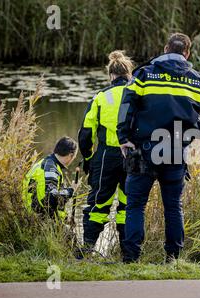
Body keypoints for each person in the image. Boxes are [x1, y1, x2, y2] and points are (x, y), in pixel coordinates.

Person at [117, 33, 200, 263]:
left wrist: (123, 136)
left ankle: (131, 258)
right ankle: (173, 258)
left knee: (135, 205)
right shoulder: (198, 80)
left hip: (144, 150)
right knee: (173, 207)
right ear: (187, 53)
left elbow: (127, 103)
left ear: (166, 48)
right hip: (177, 150)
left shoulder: (145, 74)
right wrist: (199, 132)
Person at [78, 50, 134, 256]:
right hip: (133, 157)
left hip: (105, 157)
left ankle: (87, 250)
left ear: (111, 75)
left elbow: (85, 133)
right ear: (129, 73)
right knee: (129, 206)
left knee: (98, 204)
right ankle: (129, 255)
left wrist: (88, 158)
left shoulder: (101, 97)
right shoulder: (138, 94)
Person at [23, 136, 77, 220]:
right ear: (71, 155)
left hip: (30, 214)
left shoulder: (45, 162)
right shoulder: (51, 168)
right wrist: (71, 190)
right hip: (39, 219)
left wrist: (65, 218)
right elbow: (51, 198)